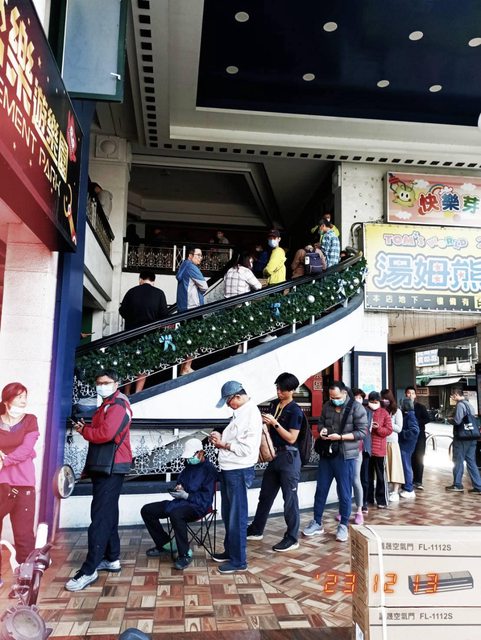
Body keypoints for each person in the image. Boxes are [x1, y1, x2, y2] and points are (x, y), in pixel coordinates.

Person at [65, 369, 132, 592]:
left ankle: (89, 569)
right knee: (108, 513)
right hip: (107, 466)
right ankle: (112, 558)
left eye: (106, 382)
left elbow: (106, 434)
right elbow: (100, 430)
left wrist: (86, 431)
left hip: (111, 467)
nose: (102, 385)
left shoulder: (118, 405)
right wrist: (85, 429)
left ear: (116, 383)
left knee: (100, 517)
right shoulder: (107, 404)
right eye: (99, 382)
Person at [303, 381, 368, 543]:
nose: (334, 400)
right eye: (331, 397)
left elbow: (362, 432)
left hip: (345, 455)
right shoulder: (327, 405)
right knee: (321, 489)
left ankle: (343, 525)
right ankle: (317, 522)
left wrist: (341, 437)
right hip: (327, 453)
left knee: (344, 491)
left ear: (345, 393)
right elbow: (320, 423)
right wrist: (322, 431)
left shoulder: (357, 408)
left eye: (337, 397)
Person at [246, 373, 303, 552]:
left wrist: (275, 423)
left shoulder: (295, 410)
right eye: (277, 388)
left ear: (292, 390)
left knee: (290, 499)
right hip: (274, 456)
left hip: (289, 457)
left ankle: (292, 538)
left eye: (282, 389)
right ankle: (256, 529)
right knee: (265, 495)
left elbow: (292, 438)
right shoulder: (274, 405)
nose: (279, 392)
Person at [140, 438, 218, 570]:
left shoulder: (209, 470)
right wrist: (179, 488)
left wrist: (187, 495)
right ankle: (166, 544)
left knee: (176, 514)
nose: (189, 460)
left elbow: (206, 498)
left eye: (191, 456)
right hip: (180, 502)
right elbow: (181, 481)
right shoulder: (189, 466)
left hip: (199, 506)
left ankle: (185, 554)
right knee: (147, 510)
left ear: (201, 453)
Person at [209, 381, 262, 573]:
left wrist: (222, 444)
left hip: (238, 470)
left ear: (237, 397)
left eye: (228, 401)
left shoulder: (250, 414)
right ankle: (231, 551)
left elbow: (246, 449)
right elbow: (236, 439)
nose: (228, 405)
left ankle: (239, 560)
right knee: (229, 514)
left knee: (236, 516)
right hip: (230, 469)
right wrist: (220, 437)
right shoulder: (241, 412)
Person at [0, 383, 40, 590]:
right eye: (19, 397)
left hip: (23, 484)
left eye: (25, 396)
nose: (24, 401)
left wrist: (4, 460)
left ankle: (25, 582)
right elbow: (24, 451)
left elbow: (26, 449)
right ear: (7, 400)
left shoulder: (30, 420)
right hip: (1, 484)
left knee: (24, 536)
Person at [120, 271, 169, 393]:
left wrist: (132, 319)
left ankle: (126, 392)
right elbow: (164, 316)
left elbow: (122, 311)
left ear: (140, 279)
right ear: (153, 281)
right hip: (150, 337)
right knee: (143, 364)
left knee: (129, 364)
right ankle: (138, 393)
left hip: (131, 335)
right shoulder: (159, 293)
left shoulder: (131, 292)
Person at [176, 247, 208, 374]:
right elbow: (204, 286)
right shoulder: (192, 267)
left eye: (201, 255)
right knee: (194, 338)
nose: (201, 258)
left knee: (186, 338)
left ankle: (183, 368)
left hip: (183, 308)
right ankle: (187, 367)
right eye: (198, 255)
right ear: (190, 255)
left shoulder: (184, 265)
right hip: (193, 308)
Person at [445, 386, 481, 494]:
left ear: (456, 395)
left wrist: (449, 419)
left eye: (452, 395)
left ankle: (457, 484)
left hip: (462, 438)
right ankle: (478, 486)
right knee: (471, 461)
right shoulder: (469, 404)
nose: (452, 397)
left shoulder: (460, 405)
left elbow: (457, 421)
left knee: (458, 460)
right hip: (472, 437)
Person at [366, 391, 392, 509]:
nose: (373, 404)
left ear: (379, 402)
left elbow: (389, 430)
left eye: (376, 402)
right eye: (372, 401)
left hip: (379, 450)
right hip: (367, 449)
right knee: (367, 476)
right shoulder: (365, 411)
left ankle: (382, 500)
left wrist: (378, 428)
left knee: (381, 476)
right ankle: (368, 499)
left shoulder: (384, 413)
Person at [380, 388, 405, 503]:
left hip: (392, 442)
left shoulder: (397, 411)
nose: (383, 400)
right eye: (382, 398)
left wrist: (387, 422)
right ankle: (387, 489)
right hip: (381, 441)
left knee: (395, 466)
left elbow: (399, 428)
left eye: (385, 398)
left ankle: (395, 491)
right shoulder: (380, 410)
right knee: (385, 468)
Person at [404, 386, 430, 490]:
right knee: (408, 458)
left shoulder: (420, 407)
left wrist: (415, 423)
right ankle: (408, 480)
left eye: (412, 393)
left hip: (419, 437)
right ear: (405, 394)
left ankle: (418, 481)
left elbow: (427, 419)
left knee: (419, 458)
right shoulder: (403, 407)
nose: (410, 395)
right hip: (407, 437)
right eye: (408, 393)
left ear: (415, 395)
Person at [398, 398, 420, 499]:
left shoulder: (410, 416)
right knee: (406, 465)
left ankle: (409, 488)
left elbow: (415, 431)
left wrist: (402, 433)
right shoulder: (409, 415)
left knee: (406, 466)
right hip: (407, 444)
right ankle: (406, 487)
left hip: (406, 445)